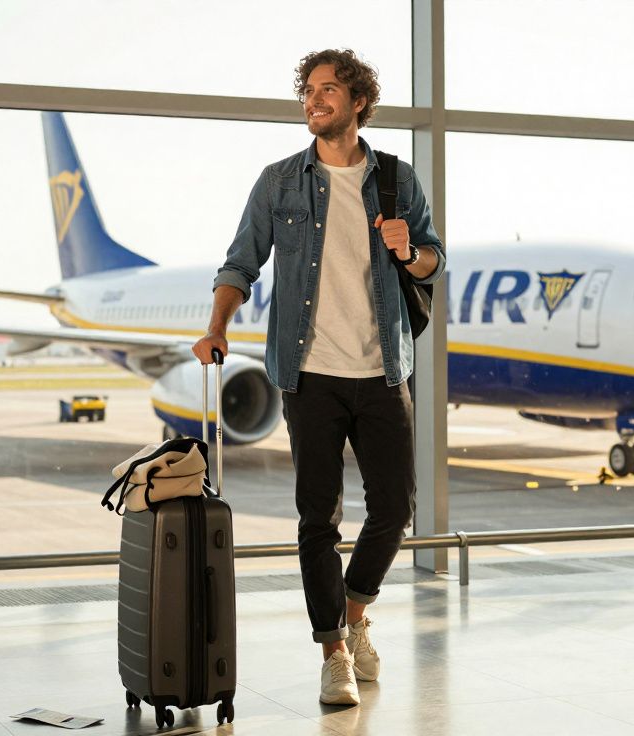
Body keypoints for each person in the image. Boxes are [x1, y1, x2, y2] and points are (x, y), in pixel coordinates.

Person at [192, 48, 444, 706]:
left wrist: (407, 250)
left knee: (395, 509)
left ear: (359, 101)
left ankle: (356, 614)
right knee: (318, 519)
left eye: (328, 90)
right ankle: (333, 651)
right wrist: (217, 327)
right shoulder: (280, 181)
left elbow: (431, 263)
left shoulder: (395, 180)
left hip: (383, 368)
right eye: (307, 90)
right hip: (309, 374)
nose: (313, 99)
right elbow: (239, 262)